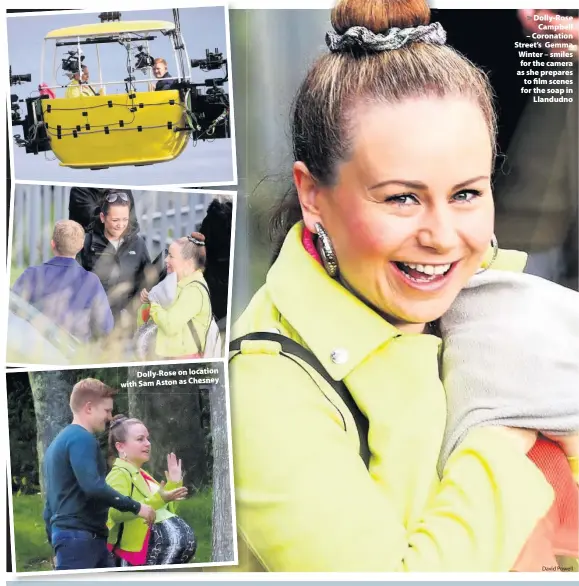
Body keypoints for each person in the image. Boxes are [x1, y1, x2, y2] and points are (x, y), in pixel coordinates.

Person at [225, 0, 577, 572]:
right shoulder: (265, 383)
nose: (442, 237)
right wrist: (504, 429)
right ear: (313, 196)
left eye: (466, 193)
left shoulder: (507, 308)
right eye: (401, 198)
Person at [42, 379, 156, 571]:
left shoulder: (56, 444)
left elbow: (49, 506)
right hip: (81, 541)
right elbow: (93, 486)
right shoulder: (82, 438)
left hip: (73, 539)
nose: (110, 417)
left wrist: (54, 542)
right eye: (106, 410)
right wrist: (136, 507)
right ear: (88, 408)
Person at [106, 415, 196, 567]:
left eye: (148, 439)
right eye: (140, 439)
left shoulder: (142, 474)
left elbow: (163, 510)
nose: (148, 444)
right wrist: (160, 499)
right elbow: (114, 512)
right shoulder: (118, 474)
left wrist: (173, 484)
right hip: (136, 559)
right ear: (120, 446)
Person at [11, 220, 113, 343]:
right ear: (81, 247)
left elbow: (12, 312)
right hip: (75, 354)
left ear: (52, 244)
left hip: (33, 350)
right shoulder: (91, 281)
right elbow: (105, 327)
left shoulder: (31, 274)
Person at [79, 190, 153, 322]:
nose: (121, 225)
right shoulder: (87, 242)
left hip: (125, 323)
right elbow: (76, 280)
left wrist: (145, 293)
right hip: (94, 320)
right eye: (115, 220)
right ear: (102, 217)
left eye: (125, 219)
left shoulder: (138, 244)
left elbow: (148, 278)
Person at [139, 233, 212, 359]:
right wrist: (149, 300)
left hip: (185, 362)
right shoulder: (179, 283)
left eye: (171, 256)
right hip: (173, 358)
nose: (166, 259)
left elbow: (169, 325)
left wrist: (154, 304)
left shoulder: (194, 290)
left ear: (188, 263)